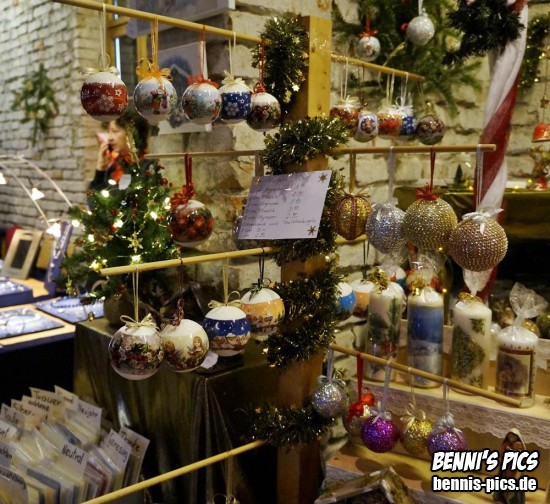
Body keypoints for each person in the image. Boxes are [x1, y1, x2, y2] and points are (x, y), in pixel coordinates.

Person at [89, 107, 151, 191]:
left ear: (131, 133)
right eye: (108, 132)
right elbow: (93, 198)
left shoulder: (148, 167)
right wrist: (101, 168)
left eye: (114, 131)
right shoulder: (114, 168)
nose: (109, 138)